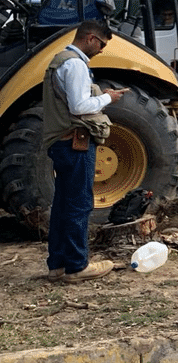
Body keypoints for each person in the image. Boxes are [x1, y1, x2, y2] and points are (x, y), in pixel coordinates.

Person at [42, 19, 127, 282]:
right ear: (90, 38)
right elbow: (80, 106)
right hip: (76, 142)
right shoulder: (76, 64)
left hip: (61, 142)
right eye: (101, 44)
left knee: (62, 205)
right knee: (79, 205)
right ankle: (77, 266)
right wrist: (108, 98)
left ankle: (57, 265)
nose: (101, 50)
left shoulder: (58, 60)